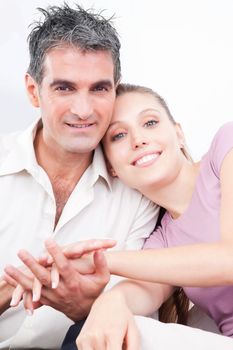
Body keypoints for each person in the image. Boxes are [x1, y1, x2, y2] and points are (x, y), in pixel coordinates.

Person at [0, 5, 158, 349]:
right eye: (65, 88)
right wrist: (11, 288)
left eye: (99, 89)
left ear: (115, 90)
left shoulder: (138, 190)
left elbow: (135, 321)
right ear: (33, 90)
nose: (84, 110)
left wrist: (84, 308)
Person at [35, 83, 233, 349]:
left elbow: (228, 259)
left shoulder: (226, 147)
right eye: (118, 136)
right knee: (106, 331)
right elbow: (141, 293)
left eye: (150, 122)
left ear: (179, 133)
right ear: (112, 167)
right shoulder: (161, 241)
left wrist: (100, 260)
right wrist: (111, 301)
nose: (138, 139)